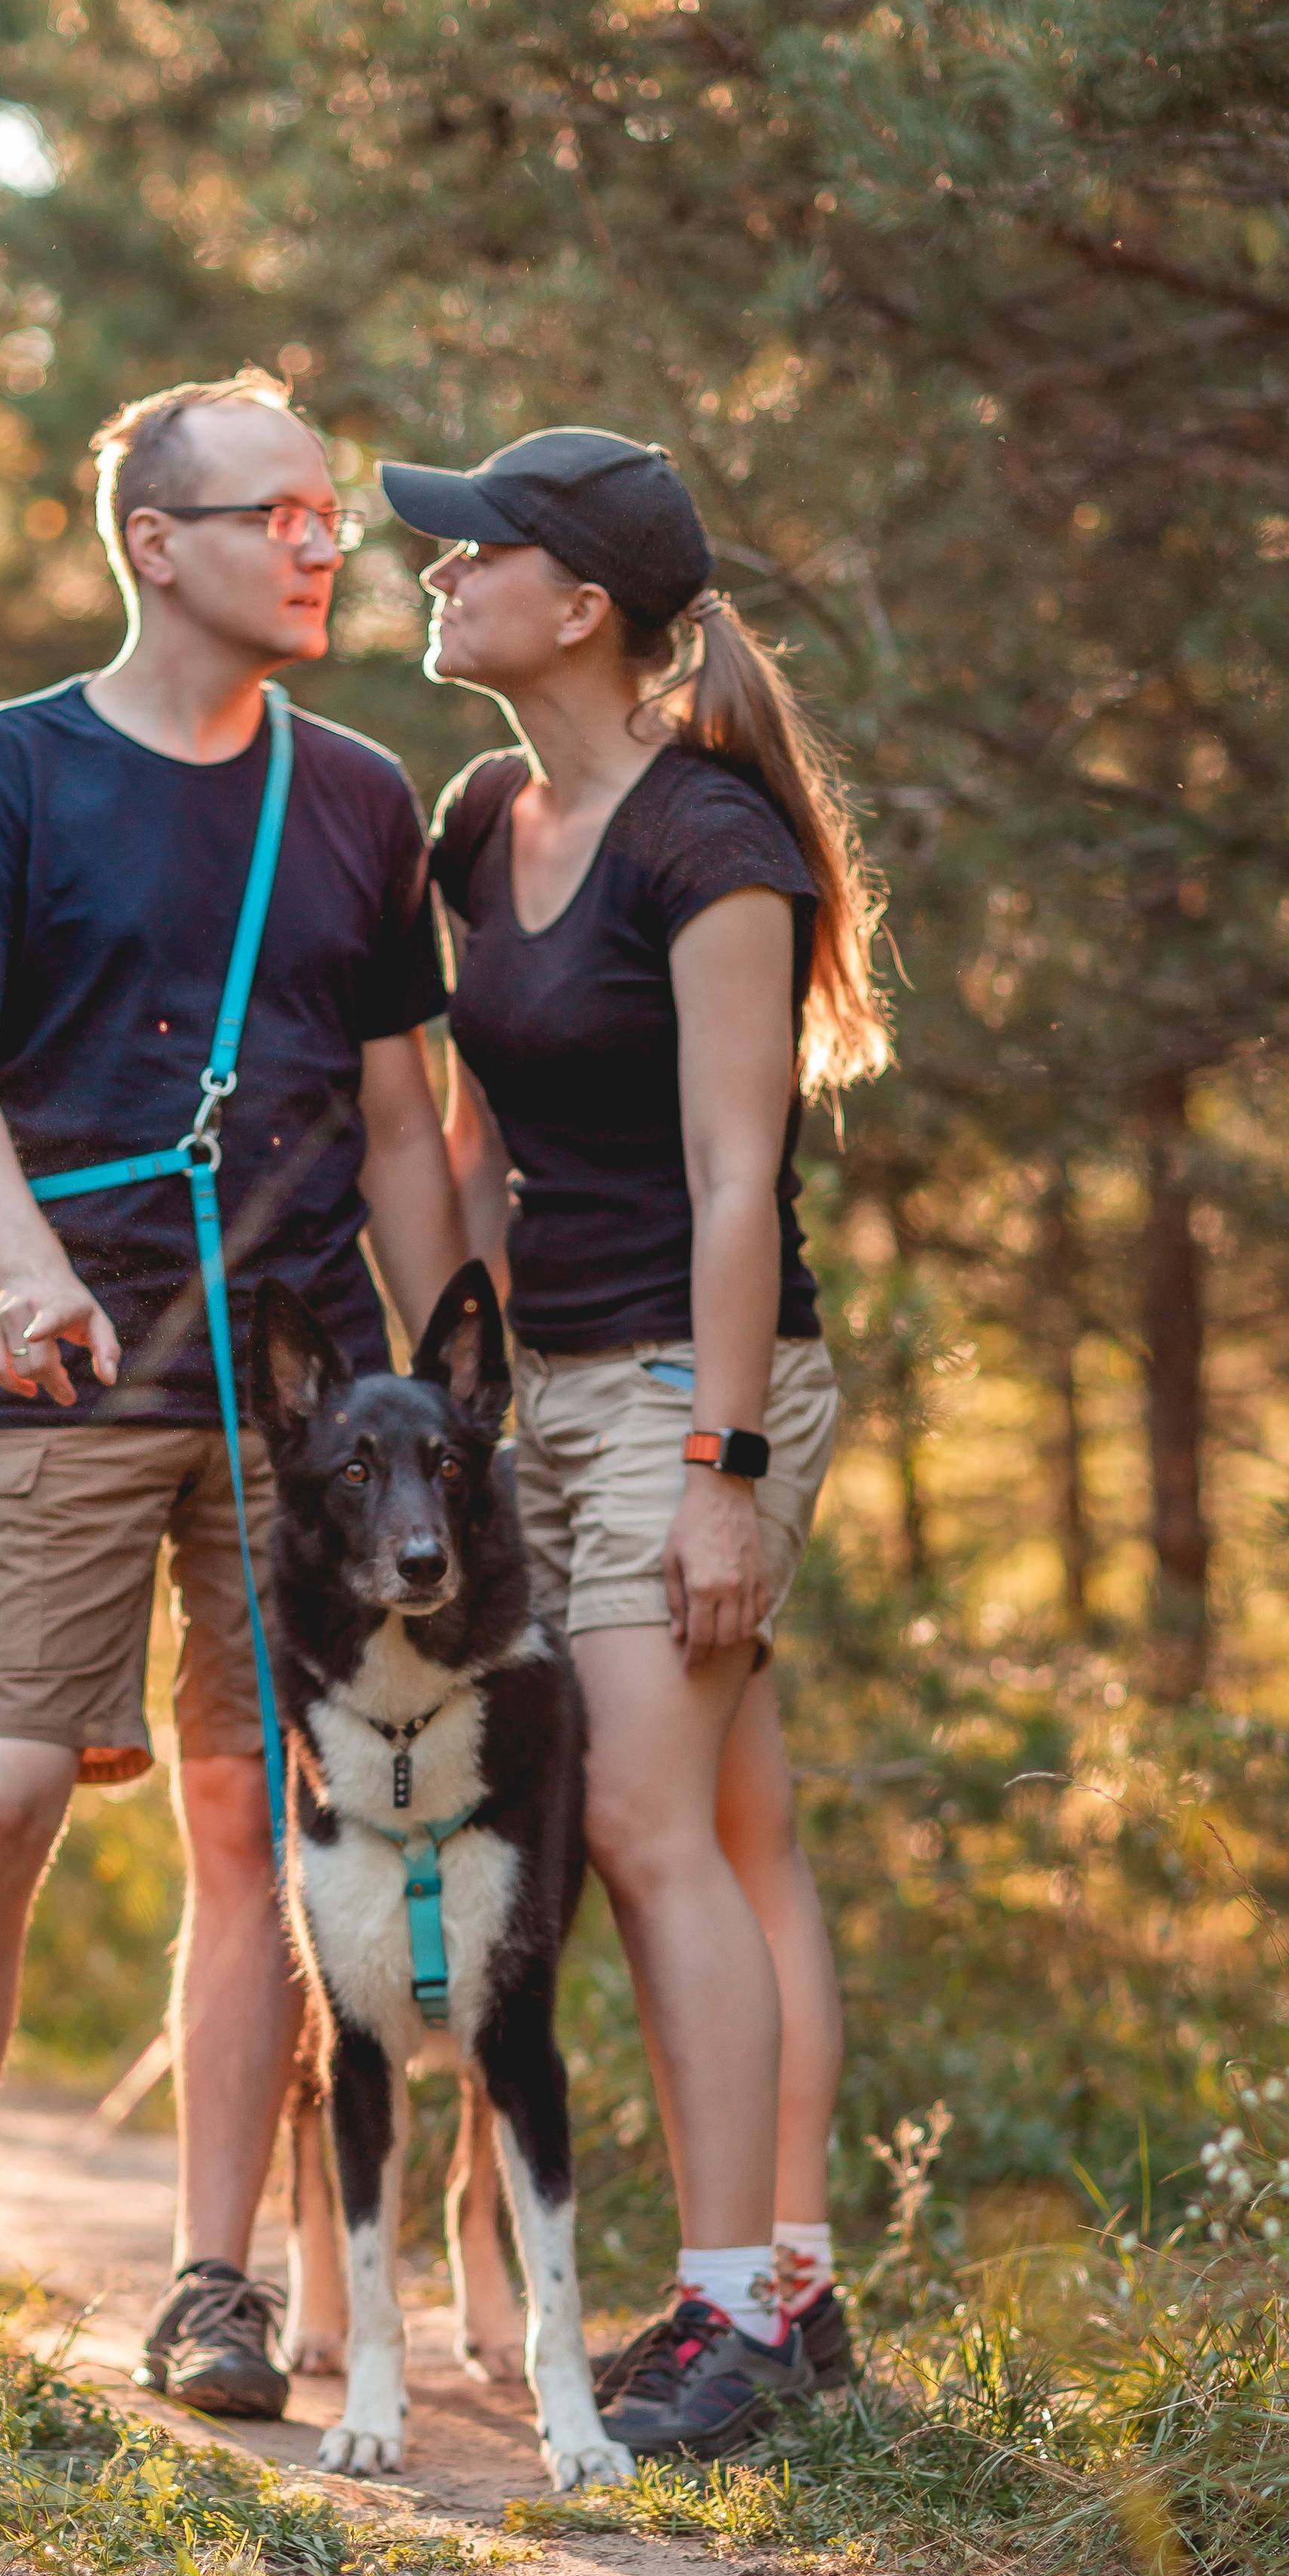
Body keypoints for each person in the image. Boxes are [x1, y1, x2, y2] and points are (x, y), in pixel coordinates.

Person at [0, 367, 465, 2408]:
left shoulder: (362, 796)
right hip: (71, 1348)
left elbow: (399, 1118)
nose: (324, 542)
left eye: (329, 518)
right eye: (279, 512)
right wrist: (21, 1267)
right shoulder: (1, 773)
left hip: (305, 1407)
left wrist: (448, 1384)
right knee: (8, 1784)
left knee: (260, 1825)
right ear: (157, 543)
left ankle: (217, 2288)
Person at [379, 427, 891, 2459]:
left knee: (639, 1830)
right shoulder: (481, 810)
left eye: (466, 552)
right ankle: (797, 2284)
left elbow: (734, 1183)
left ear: (575, 604)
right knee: (739, 1832)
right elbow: (472, 1144)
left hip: (697, 1377)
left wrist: (726, 1472)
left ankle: (726, 2315)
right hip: (558, 1387)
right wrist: (463, 1392)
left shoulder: (714, 845)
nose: (433, 575)